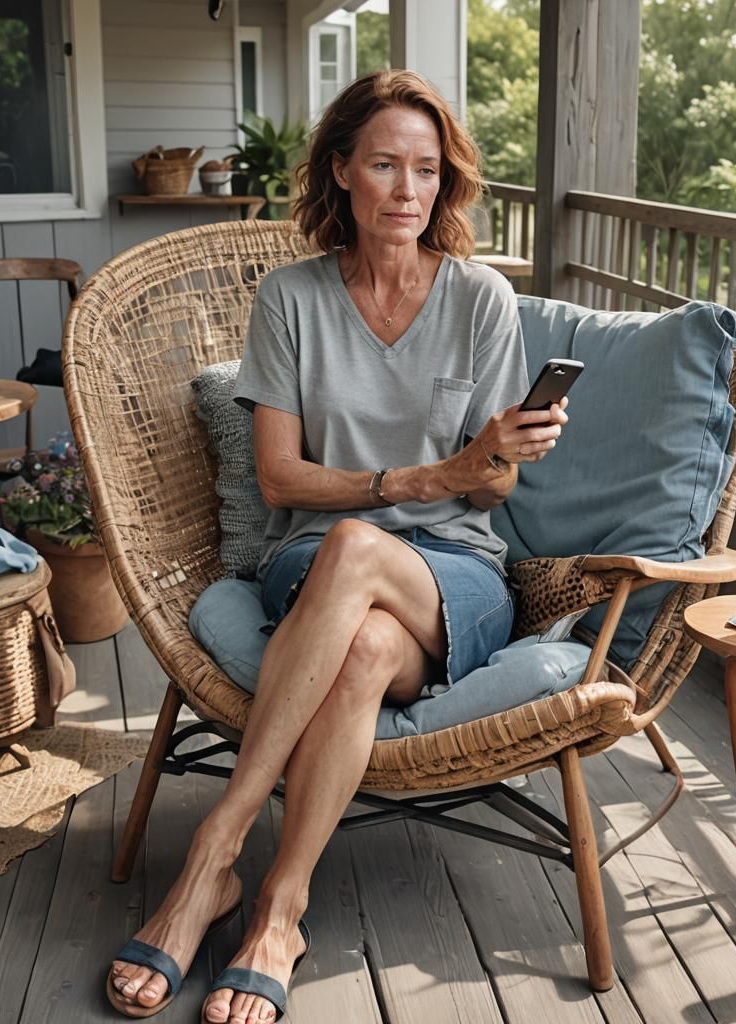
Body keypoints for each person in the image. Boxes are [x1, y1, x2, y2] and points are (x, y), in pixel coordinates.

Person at [107, 69, 568, 1024]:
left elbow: (495, 486)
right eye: (386, 165)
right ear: (342, 173)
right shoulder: (291, 299)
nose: (409, 189)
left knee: (360, 544)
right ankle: (279, 906)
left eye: (428, 170)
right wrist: (416, 479)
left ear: (446, 184)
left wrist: (495, 457)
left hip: (456, 576)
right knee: (356, 624)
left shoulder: (482, 298)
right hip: (310, 561)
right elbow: (279, 479)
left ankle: (212, 857)